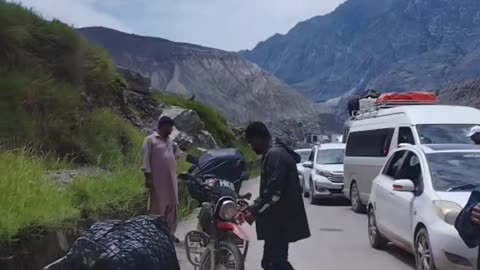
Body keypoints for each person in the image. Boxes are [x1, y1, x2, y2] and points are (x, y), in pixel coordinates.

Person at [244, 122, 310, 270]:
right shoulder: (275, 153)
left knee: (276, 263)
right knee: (269, 263)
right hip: (278, 221)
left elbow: (273, 193)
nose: (251, 147)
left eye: (251, 142)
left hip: (280, 221)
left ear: (259, 138)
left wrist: (254, 211)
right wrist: (254, 206)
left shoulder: (275, 155)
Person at [142, 116, 180, 242]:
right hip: (158, 181)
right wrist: (148, 178)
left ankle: (170, 233)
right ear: (163, 126)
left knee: (172, 206)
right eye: (169, 127)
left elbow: (176, 156)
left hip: (171, 180)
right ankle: (155, 235)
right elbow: (146, 161)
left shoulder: (171, 142)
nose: (170, 130)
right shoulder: (150, 140)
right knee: (158, 207)